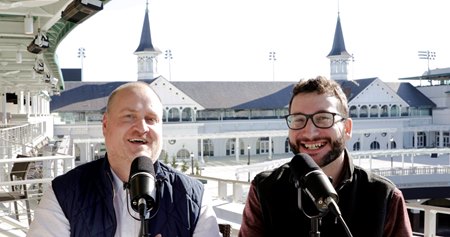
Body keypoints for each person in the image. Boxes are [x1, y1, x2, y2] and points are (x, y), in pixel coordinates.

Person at [28, 81, 222, 237]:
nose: (142, 128)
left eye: (152, 119)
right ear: (105, 125)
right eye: (129, 116)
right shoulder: (63, 193)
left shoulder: (194, 197)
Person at [238, 76, 412, 237]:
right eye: (298, 119)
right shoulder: (264, 189)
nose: (310, 132)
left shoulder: (385, 197)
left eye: (323, 118)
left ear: (347, 129)